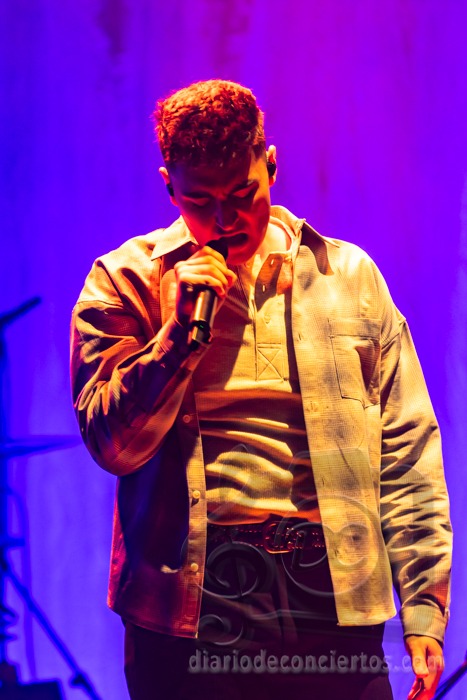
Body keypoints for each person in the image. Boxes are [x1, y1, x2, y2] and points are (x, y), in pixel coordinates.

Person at [70, 79, 452, 700]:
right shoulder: (125, 282)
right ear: (168, 186)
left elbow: (406, 448)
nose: (225, 220)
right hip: (193, 601)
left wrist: (425, 607)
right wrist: (177, 338)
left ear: (270, 165)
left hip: (333, 589)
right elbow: (113, 446)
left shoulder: (348, 277)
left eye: (242, 194)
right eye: (200, 201)